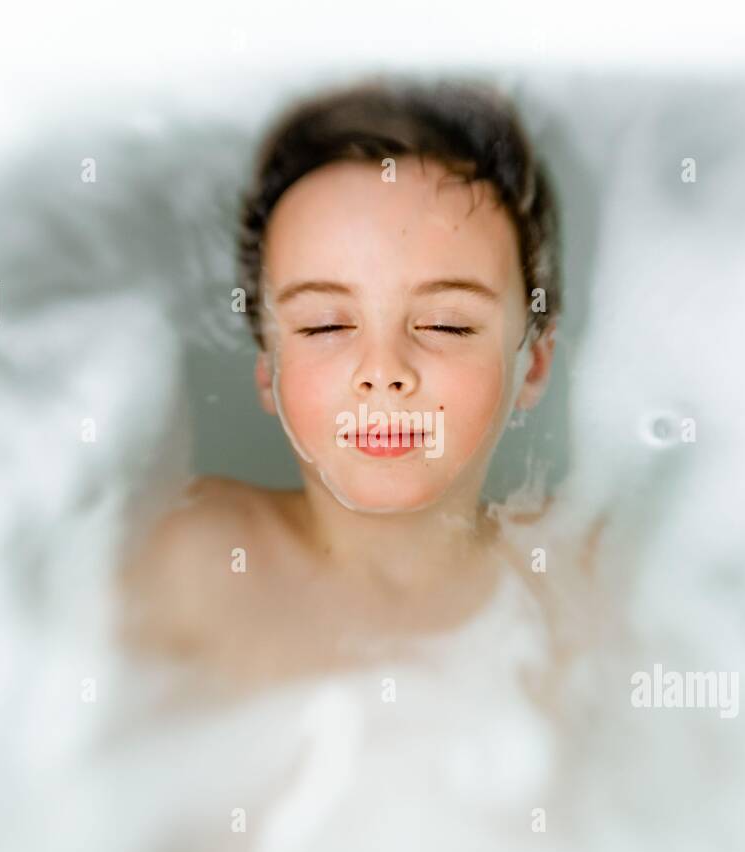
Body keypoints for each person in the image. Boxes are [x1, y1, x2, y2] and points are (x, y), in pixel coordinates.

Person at [118, 76, 564, 688]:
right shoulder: (190, 571)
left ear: (533, 361)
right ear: (268, 371)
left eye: (445, 324)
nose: (382, 373)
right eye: (326, 325)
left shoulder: (589, 585)